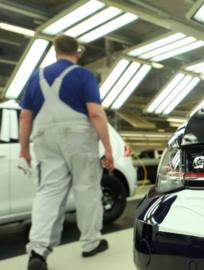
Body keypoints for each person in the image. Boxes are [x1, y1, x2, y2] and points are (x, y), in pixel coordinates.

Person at [19, 35, 114, 270]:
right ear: (78, 53)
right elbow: (95, 113)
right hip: (78, 136)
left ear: (55, 51)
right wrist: (108, 148)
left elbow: (25, 116)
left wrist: (24, 150)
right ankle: (91, 243)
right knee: (87, 188)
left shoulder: (35, 77)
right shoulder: (83, 75)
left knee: (48, 192)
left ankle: (38, 251)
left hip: (44, 138)